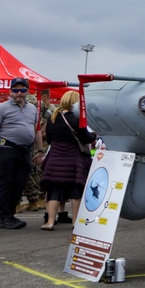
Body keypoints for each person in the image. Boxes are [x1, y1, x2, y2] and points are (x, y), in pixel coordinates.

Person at [0, 78, 44, 229]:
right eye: (16, 90)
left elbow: (37, 130)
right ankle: (5, 217)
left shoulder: (32, 108)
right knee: (5, 183)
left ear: (27, 91)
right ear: (10, 91)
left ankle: (10, 214)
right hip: (7, 148)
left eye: (22, 90)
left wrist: (40, 150)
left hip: (25, 150)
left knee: (20, 183)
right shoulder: (2, 108)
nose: (19, 93)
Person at [40, 91, 96, 230]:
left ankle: (50, 222)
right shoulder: (77, 119)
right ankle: (75, 221)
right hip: (73, 158)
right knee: (75, 191)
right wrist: (94, 135)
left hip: (55, 157)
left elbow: (49, 139)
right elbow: (86, 138)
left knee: (54, 190)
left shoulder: (52, 118)